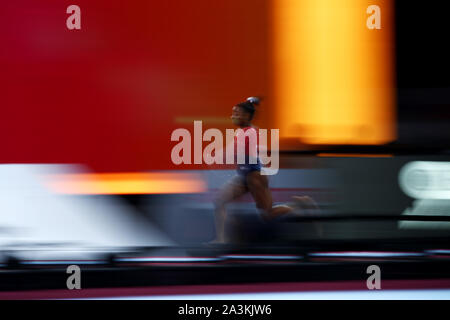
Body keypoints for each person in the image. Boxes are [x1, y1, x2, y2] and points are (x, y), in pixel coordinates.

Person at [212, 97, 320, 243]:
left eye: (236, 113)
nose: (233, 116)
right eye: (233, 113)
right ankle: (222, 239)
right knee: (220, 201)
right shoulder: (243, 132)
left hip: (254, 177)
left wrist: (222, 155)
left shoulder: (250, 132)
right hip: (245, 176)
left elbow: (237, 151)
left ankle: (301, 205)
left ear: (246, 116)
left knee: (268, 213)